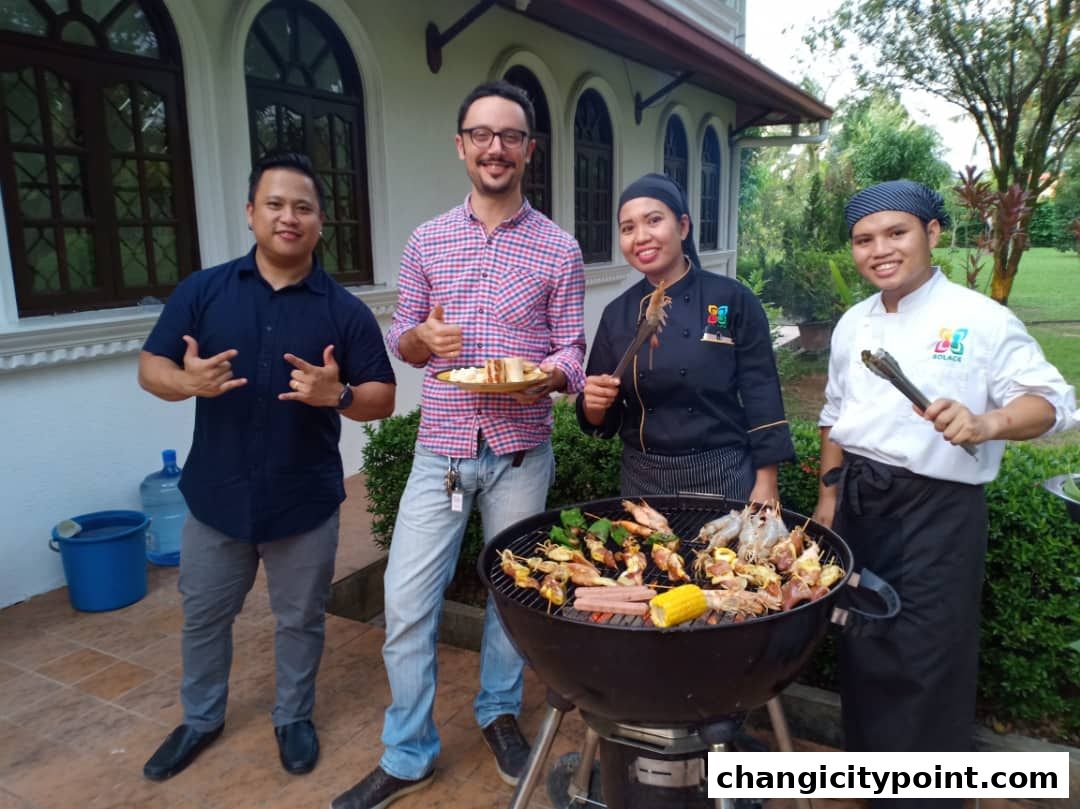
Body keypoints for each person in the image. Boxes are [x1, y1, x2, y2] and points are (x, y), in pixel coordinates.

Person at [330, 81, 586, 809]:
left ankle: (499, 712)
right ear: (461, 145)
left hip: (519, 453)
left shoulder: (558, 248)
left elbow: (572, 345)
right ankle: (408, 751)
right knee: (406, 600)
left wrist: (553, 377)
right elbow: (399, 339)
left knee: (511, 596)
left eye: (510, 136)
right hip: (440, 449)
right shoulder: (426, 240)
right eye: (482, 134)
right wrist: (419, 338)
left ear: (529, 150)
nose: (496, 147)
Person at [811, 179, 1076, 808]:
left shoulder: (980, 320)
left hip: (939, 513)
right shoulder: (854, 323)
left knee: (927, 661)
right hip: (859, 503)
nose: (880, 250)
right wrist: (828, 495)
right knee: (861, 643)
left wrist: (987, 424)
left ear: (932, 234)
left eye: (896, 233)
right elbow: (834, 414)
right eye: (864, 239)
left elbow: (1053, 405)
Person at [138, 152, 396, 781]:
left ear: (320, 222)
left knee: (300, 620)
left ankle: (292, 716)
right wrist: (186, 382)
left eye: (303, 207)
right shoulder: (204, 291)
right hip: (215, 498)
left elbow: (383, 397)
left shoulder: (344, 311)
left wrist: (336, 394)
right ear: (252, 213)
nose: (289, 217)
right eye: (275, 204)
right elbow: (152, 369)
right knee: (204, 616)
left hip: (301, 502)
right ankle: (200, 719)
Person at [578, 172, 794, 502]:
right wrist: (593, 405)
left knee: (721, 557)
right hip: (643, 479)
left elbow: (761, 392)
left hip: (723, 473)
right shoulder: (617, 314)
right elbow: (602, 418)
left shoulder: (732, 299)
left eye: (653, 220)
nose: (641, 236)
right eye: (628, 228)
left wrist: (767, 482)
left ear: (682, 227)